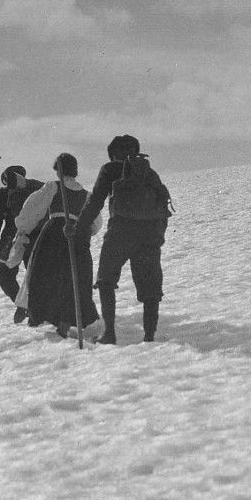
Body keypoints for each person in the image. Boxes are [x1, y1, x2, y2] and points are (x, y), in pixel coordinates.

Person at [79, 133, 171, 344]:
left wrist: (78, 227)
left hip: (121, 232)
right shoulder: (150, 173)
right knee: (150, 286)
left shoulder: (110, 169)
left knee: (106, 280)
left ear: (113, 154)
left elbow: (95, 202)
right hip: (149, 234)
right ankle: (149, 336)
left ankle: (109, 333)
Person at [7, 152, 101, 339]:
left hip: (54, 236)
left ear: (58, 172)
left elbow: (32, 210)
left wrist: (23, 226)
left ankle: (47, 317)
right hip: (79, 238)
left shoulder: (52, 187)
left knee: (44, 277)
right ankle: (67, 320)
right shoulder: (86, 195)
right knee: (75, 280)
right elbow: (96, 224)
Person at [0, 165, 42, 319]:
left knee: (4, 276)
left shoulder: (6, 192)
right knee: (35, 276)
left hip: (11, 241)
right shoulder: (36, 189)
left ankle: (24, 306)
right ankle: (33, 310)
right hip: (37, 238)